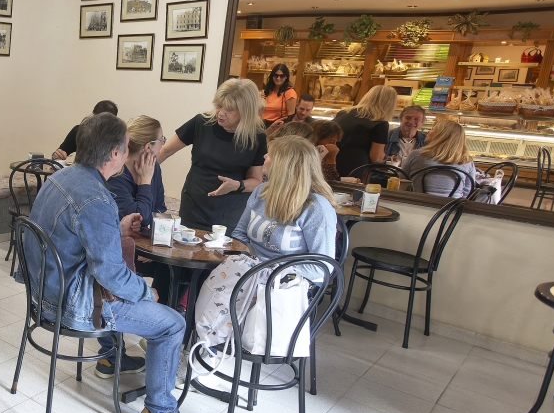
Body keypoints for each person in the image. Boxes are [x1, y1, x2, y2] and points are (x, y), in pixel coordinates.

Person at [20, 113, 213, 413]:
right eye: (126, 147)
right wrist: (146, 293)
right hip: (71, 304)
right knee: (172, 323)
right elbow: (109, 274)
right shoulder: (96, 197)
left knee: (137, 291)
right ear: (114, 153)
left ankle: (116, 360)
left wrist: (116, 229)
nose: (128, 152)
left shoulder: (61, 177)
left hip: (43, 291)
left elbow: (75, 234)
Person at [101, 115, 171, 378]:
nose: (163, 144)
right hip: (120, 248)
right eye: (161, 140)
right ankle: (110, 356)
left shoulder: (155, 169)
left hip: (146, 244)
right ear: (148, 147)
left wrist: (154, 234)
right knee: (112, 282)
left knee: (172, 270)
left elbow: (159, 210)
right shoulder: (118, 176)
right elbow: (139, 217)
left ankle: (158, 336)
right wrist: (144, 183)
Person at [158, 78, 267, 233]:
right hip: (194, 203)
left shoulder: (256, 137)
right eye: (219, 105)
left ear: (246, 110)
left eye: (229, 109)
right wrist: (141, 176)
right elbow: (165, 151)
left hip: (230, 211)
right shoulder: (201, 123)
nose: (221, 113)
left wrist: (236, 185)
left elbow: (256, 181)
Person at [232, 136, 338, 280]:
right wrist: (249, 265)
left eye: (270, 154)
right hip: (251, 272)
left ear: (283, 164)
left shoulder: (317, 207)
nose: (264, 156)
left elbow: (322, 266)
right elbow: (239, 233)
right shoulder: (261, 191)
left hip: (288, 282)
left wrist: (267, 272)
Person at [332, 84, 397, 178]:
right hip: (356, 168)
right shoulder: (380, 124)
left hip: (332, 160)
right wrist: (385, 156)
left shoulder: (343, 113)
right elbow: (376, 157)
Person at [402, 119, 478, 197]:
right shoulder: (467, 161)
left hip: (418, 202)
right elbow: (468, 190)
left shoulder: (416, 155)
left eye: (432, 129)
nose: (428, 131)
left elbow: (401, 179)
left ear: (441, 135)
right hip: (453, 204)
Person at [53, 100, 118, 160]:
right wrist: (57, 155)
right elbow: (57, 156)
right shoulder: (79, 131)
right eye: (96, 121)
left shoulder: (118, 138)